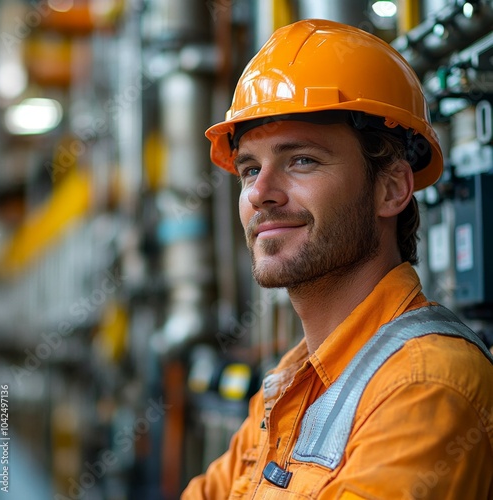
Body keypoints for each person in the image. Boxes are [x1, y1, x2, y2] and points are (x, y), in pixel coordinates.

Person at [182, 19, 493, 499]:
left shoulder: (426, 384)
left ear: (391, 188)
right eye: (249, 169)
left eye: (301, 160)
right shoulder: (293, 380)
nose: (260, 193)